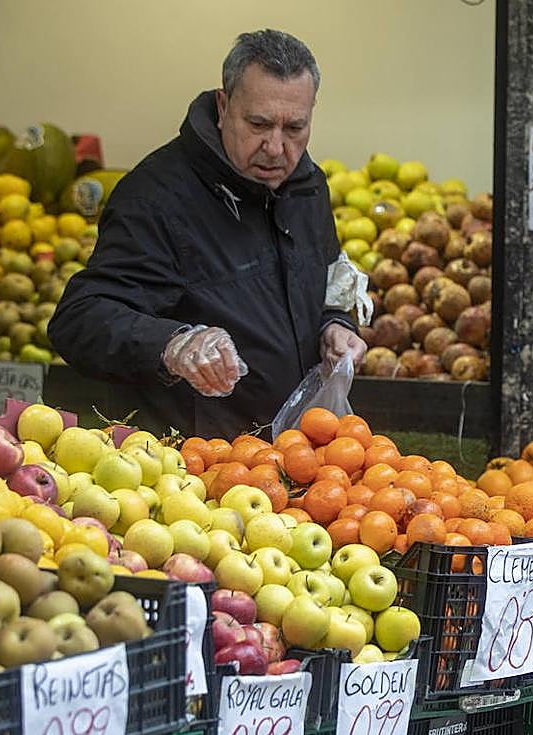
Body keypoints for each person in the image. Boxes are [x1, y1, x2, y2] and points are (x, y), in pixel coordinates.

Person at [48, 29, 366, 438]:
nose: (275, 147)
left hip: (292, 452)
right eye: (259, 124)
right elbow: (79, 318)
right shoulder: (156, 197)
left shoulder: (307, 186)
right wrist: (173, 345)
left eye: (294, 128)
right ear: (223, 105)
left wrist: (335, 325)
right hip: (194, 460)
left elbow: (326, 282)